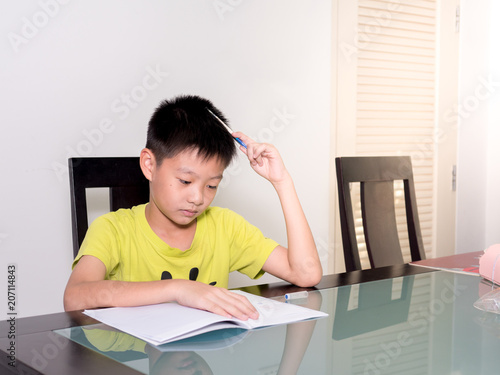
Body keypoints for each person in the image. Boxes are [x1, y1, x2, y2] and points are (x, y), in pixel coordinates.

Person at [64, 95, 322, 320]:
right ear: (150, 165)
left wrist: (282, 181)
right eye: (185, 181)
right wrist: (178, 289)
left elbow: (306, 274)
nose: (198, 197)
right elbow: (74, 297)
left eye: (211, 185)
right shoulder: (113, 230)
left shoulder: (225, 227)